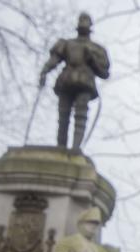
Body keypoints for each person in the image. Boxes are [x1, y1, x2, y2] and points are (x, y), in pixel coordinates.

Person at [39, 12, 110, 150]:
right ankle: (61, 147)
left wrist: (92, 60)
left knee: (81, 115)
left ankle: (75, 149)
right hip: (67, 80)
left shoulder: (97, 49)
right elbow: (54, 60)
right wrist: (44, 71)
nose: (83, 22)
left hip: (85, 82)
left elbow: (104, 72)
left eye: (86, 20)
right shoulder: (67, 43)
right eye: (81, 20)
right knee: (63, 116)